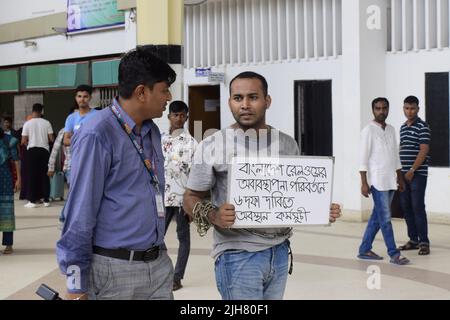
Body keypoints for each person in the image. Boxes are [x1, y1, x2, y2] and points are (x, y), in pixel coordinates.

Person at [183, 71, 341, 300]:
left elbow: (292, 194)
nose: (245, 105)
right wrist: (214, 215)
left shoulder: (287, 144)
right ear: (229, 103)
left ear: (267, 101)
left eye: (253, 97)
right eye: (238, 98)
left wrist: (318, 208)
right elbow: (190, 198)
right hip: (237, 255)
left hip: (279, 252)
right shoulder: (211, 145)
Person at [56, 46, 176, 300]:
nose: (169, 97)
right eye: (164, 90)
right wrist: (75, 286)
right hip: (114, 271)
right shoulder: (96, 133)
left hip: (158, 265)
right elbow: (80, 213)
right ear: (141, 92)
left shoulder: (151, 131)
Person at [357, 97, 409, 265]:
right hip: (377, 181)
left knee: (377, 218)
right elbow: (362, 158)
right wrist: (364, 183)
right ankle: (394, 254)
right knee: (385, 218)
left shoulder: (392, 130)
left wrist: (400, 178)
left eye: (384, 108)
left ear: (388, 109)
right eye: (378, 108)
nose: (381, 111)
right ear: (373, 110)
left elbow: (395, 156)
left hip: (391, 181)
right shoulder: (368, 131)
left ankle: (364, 249)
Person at [161, 100, 197, 291]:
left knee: (183, 238)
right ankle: (162, 273)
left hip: (183, 199)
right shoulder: (160, 139)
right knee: (156, 237)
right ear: (169, 117)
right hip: (162, 198)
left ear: (186, 117)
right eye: (175, 115)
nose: (178, 118)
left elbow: (196, 175)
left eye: (182, 115)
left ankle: (177, 277)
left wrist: (191, 202)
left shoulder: (192, 143)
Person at [398, 96, 431, 255]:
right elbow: (401, 148)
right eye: (406, 108)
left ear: (418, 109)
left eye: (412, 108)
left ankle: (424, 242)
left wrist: (412, 170)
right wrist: (400, 172)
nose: (409, 111)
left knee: (417, 207)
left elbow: (423, 150)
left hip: (417, 174)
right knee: (406, 207)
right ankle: (413, 240)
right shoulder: (403, 127)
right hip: (404, 174)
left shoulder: (423, 127)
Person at [21, 103, 54, 208]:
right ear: (41, 111)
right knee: (45, 175)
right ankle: (46, 200)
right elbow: (51, 139)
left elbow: (23, 141)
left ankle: (32, 201)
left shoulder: (27, 124)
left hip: (32, 151)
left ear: (32, 111)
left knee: (32, 176)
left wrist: (29, 142)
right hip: (44, 151)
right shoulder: (47, 123)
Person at [0, 128, 20, 254]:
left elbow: (16, 160)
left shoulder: (8, 140)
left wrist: (19, 179)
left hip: (4, 179)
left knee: (6, 210)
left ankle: (8, 244)